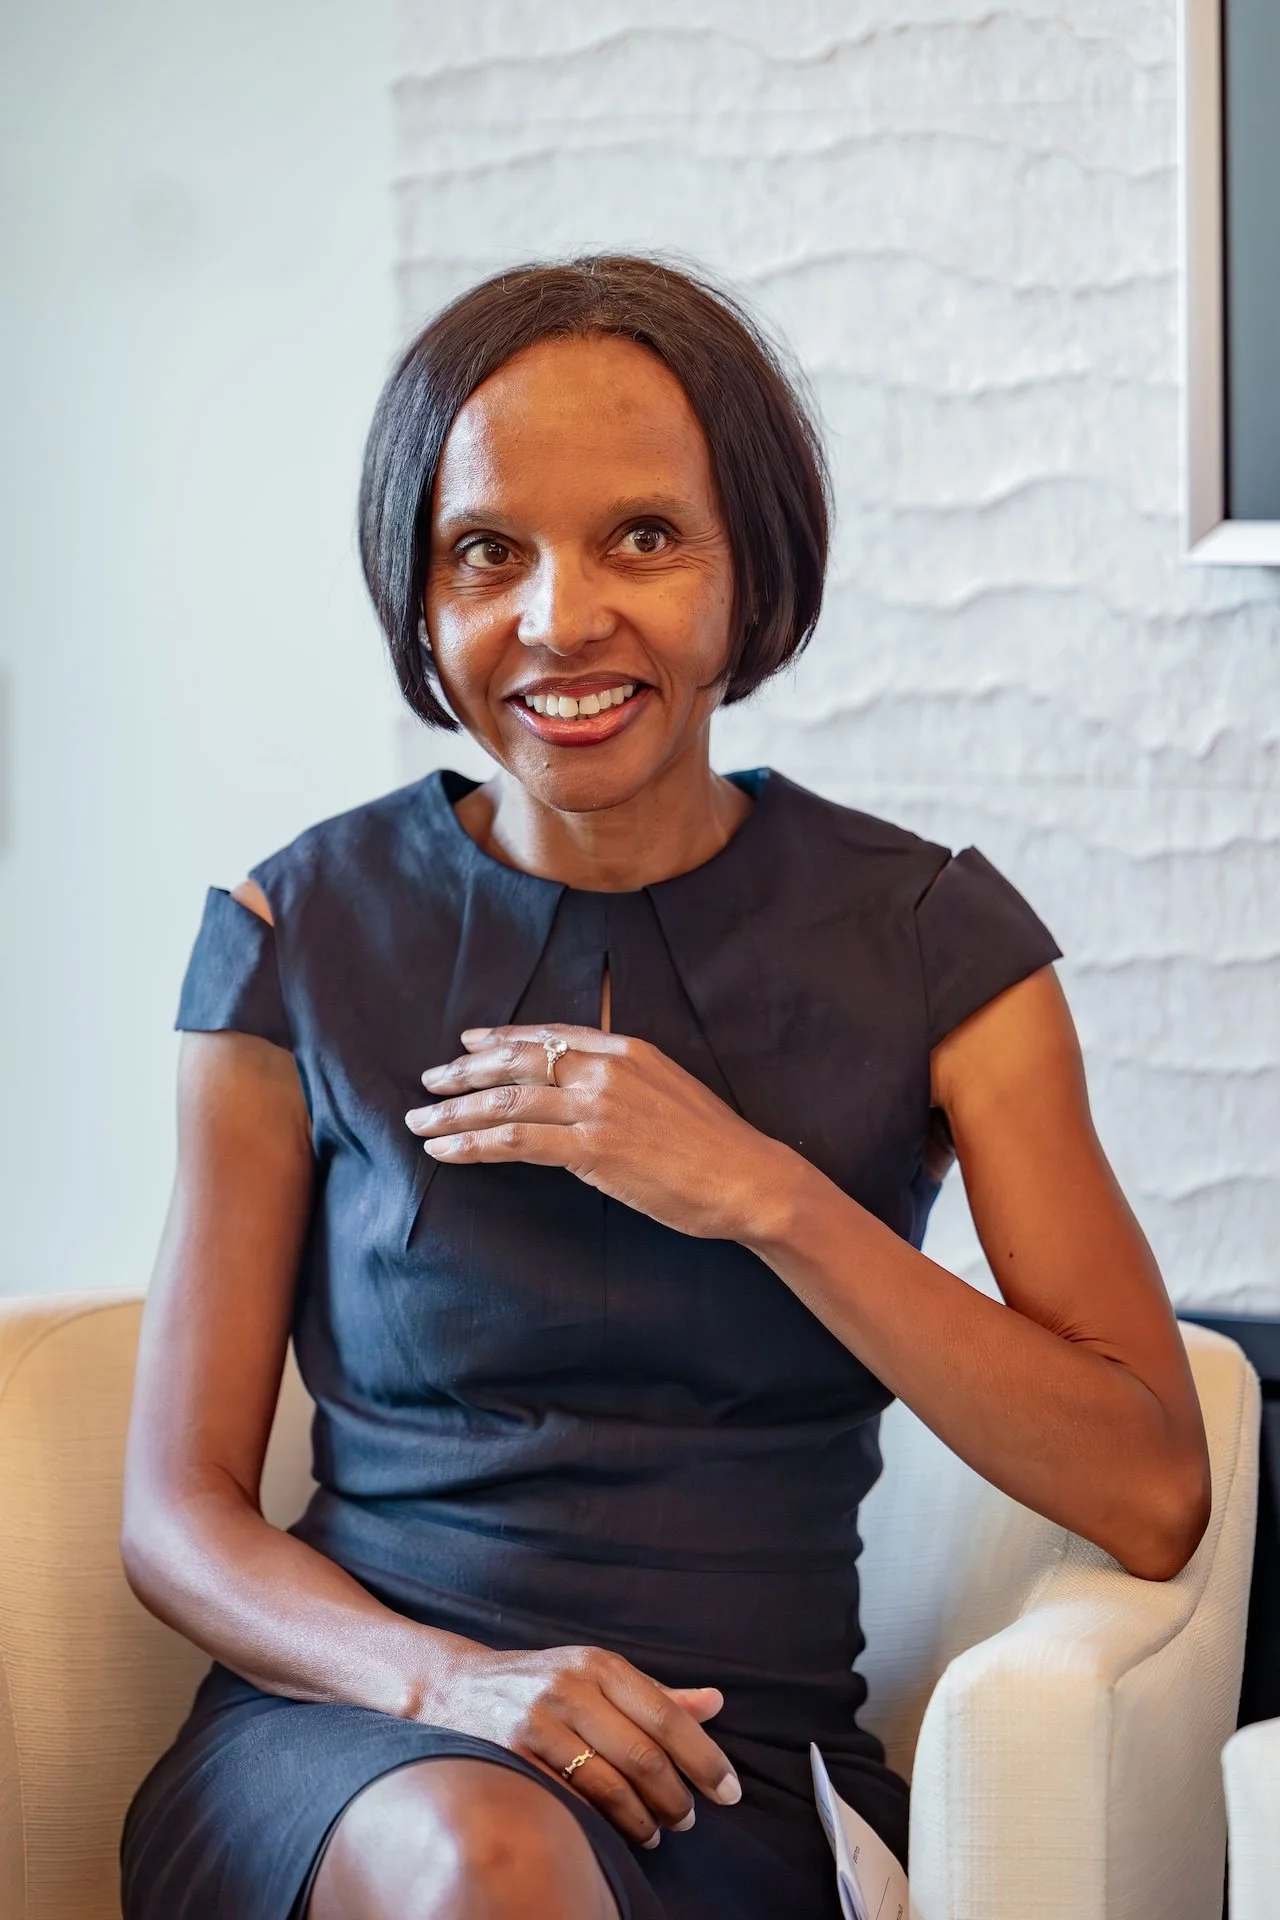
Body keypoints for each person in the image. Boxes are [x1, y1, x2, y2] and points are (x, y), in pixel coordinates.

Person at [119, 255, 1210, 1920]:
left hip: (738, 1765)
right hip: (361, 1753)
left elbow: (1150, 1489)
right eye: (488, 552)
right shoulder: (294, 937)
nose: (562, 619)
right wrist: (452, 1690)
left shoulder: (936, 946)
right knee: (483, 1859)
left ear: (749, 567)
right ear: (419, 598)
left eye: (642, 536)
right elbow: (175, 1515)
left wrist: (764, 1196)